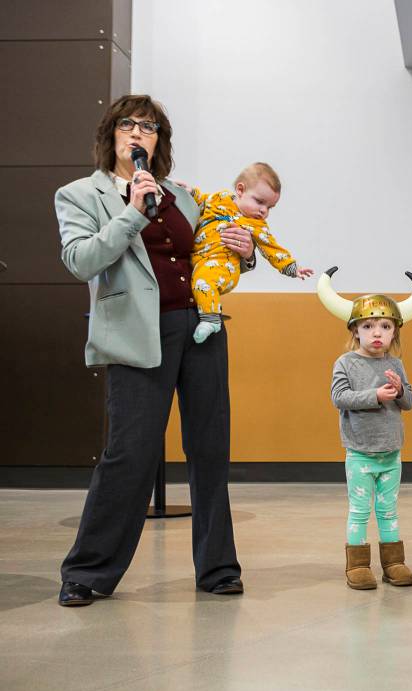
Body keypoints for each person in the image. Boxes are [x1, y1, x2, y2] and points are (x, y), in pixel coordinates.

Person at [54, 94, 254, 606]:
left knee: (210, 450)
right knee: (130, 454)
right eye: (128, 124)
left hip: (201, 329)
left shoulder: (181, 196)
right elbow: (81, 261)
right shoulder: (80, 194)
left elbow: (204, 251)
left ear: (158, 142)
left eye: (150, 127)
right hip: (136, 334)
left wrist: (244, 253)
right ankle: (87, 572)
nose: (138, 133)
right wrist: (131, 213)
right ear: (111, 135)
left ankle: (218, 568)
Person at [317, 267, 412, 590]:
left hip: (391, 453)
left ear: (394, 332)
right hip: (360, 453)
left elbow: (410, 402)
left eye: (385, 326)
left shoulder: (395, 364)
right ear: (356, 332)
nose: (376, 332)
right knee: (360, 509)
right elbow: (339, 397)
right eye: (368, 326)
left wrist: (401, 390)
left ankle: (393, 562)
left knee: (388, 509)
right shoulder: (346, 363)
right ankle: (358, 564)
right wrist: (376, 396)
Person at [190, 162, 313, 343]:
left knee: (204, 281)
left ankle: (211, 320)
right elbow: (203, 199)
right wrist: (190, 192)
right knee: (198, 279)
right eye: (260, 202)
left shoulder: (257, 225)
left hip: (223, 266)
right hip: (199, 259)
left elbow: (273, 250)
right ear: (240, 190)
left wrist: (292, 268)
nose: (264, 211)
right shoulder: (221, 198)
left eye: (270, 207)